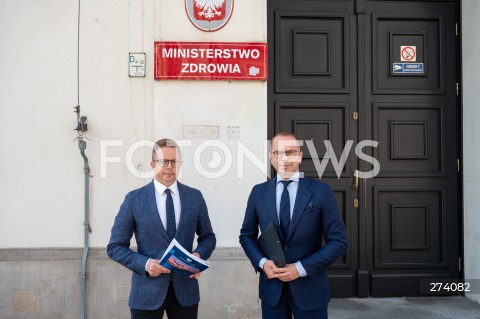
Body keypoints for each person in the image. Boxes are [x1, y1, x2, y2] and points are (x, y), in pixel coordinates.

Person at [239, 132, 348, 319]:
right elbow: (246, 235)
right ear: (271, 157)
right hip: (272, 291)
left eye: (290, 152)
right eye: (278, 153)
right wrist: (263, 263)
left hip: (310, 290)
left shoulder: (321, 192)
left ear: (299, 155)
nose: (284, 158)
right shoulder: (258, 192)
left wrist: (300, 268)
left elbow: (338, 242)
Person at [107, 138, 216, 319]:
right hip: (146, 292)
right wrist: (146, 264)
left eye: (174, 162)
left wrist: (197, 257)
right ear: (152, 164)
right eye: (163, 161)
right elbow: (115, 247)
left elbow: (208, 237)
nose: (169, 166)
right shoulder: (134, 199)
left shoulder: (194, 197)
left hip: (185, 292)